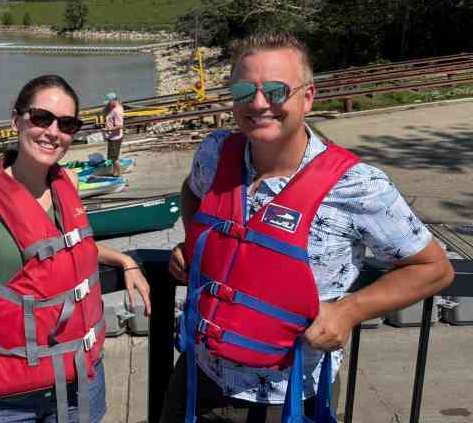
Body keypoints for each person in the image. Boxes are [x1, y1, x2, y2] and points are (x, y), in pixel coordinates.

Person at [162, 31, 454, 422]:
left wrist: (350, 310)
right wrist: (195, 242)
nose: (259, 103)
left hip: (290, 395)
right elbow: (192, 191)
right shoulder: (215, 153)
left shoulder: (357, 186)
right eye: (246, 89)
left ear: (308, 97)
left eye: (277, 91)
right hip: (200, 376)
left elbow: (434, 268)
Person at [0, 74, 151, 423]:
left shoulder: (65, 181)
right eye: (42, 118)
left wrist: (123, 259)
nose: (53, 132)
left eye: (67, 124)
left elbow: (68, 250)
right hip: (11, 399)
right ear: (17, 119)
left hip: (81, 381)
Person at [103, 92, 124, 177]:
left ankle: (117, 175)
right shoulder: (113, 107)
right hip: (111, 137)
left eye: (109, 102)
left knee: (114, 158)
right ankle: (115, 173)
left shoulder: (117, 111)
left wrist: (108, 129)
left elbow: (120, 126)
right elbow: (105, 111)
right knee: (112, 157)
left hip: (115, 138)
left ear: (113, 100)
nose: (107, 104)